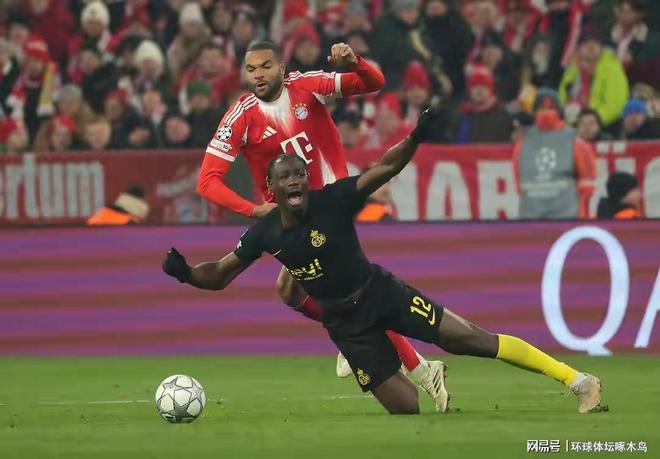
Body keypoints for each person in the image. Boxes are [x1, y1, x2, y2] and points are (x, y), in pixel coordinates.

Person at [163, 109, 603, 415]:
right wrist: (187, 274)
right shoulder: (264, 231)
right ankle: (411, 370)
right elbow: (220, 274)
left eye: (299, 174)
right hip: (346, 327)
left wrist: (414, 138)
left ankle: (577, 380)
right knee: (406, 408)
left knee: (469, 339)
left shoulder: (332, 200)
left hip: (380, 293)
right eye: (285, 177)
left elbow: (383, 169)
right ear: (271, 187)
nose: (295, 181)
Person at [196, 40, 448, 409]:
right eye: (251, 69)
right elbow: (207, 182)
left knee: (333, 294)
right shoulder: (241, 116)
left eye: (265, 66)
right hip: (292, 215)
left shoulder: (308, 85)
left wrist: (355, 61)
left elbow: (373, 82)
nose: (258, 74)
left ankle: (417, 367)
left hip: (330, 203)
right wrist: (254, 210)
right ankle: (407, 360)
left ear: (282, 68)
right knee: (292, 290)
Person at [513, 88, 597, 219]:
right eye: (542, 108)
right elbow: (520, 183)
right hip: (539, 218)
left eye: (550, 108)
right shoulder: (523, 143)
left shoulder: (574, 141)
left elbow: (587, 183)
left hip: (561, 218)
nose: (546, 113)